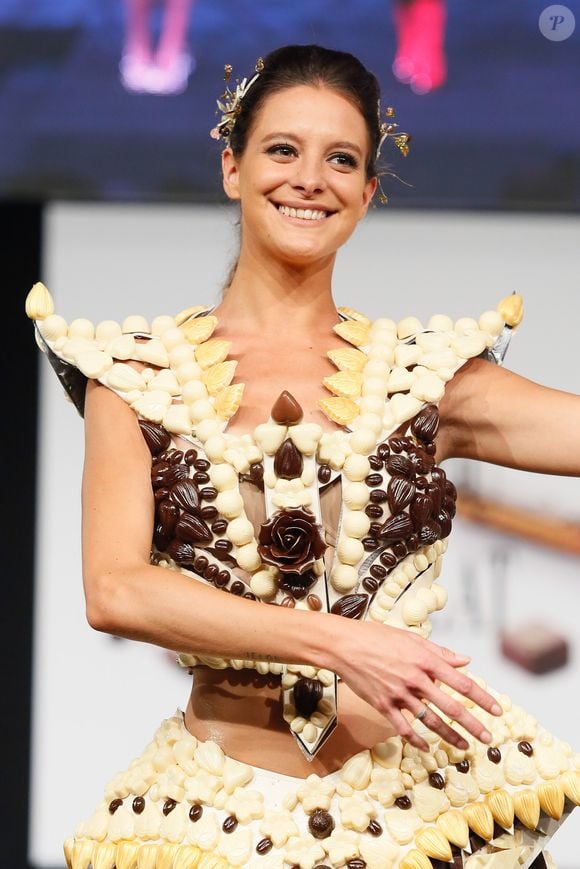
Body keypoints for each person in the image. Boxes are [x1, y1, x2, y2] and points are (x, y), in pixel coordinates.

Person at [27, 44, 580, 869]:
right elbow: (114, 591)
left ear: (365, 194)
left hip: (425, 816)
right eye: (282, 149)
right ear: (232, 167)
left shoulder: (419, 375)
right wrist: (337, 641)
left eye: (342, 160)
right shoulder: (137, 374)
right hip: (218, 821)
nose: (309, 178)